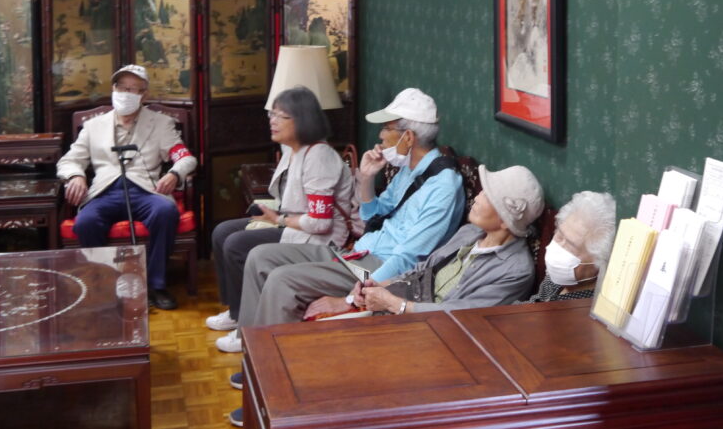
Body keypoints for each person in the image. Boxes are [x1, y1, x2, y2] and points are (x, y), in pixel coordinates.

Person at [214, 87, 464, 355]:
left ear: (408, 137)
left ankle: (265, 360)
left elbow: (408, 258)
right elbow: (371, 216)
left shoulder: (443, 186)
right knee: (260, 256)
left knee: (282, 279)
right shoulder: (409, 170)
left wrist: (352, 299)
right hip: (359, 253)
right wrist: (366, 178)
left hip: (377, 267)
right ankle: (248, 340)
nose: (381, 136)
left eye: (386, 128)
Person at [205, 86, 356, 333]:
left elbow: (320, 223)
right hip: (295, 225)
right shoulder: (292, 150)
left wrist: (279, 220)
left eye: (281, 116)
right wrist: (273, 215)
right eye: (271, 114)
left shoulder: (319, 156)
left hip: (320, 238)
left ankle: (247, 322)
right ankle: (236, 311)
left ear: (303, 119)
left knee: (236, 244)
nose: (272, 121)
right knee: (222, 232)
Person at [316, 164, 544, 317]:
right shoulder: (470, 233)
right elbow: (422, 269)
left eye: (488, 196)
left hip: (435, 330)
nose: (477, 197)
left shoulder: (515, 270)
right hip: (408, 302)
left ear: (505, 220)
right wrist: (377, 285)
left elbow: (462, 314)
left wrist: (394, 304)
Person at [57, 64, 197, 311]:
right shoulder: (93, 126)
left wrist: (175, 174)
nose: (126, 94)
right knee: (86, 223)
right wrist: (76, 176)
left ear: (144, 94)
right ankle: (106, 285)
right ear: (113, 90)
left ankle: (155, 285)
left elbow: (185, 158)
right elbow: (69, 161)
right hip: (105, 191)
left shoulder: (161, 123)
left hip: (146, 190)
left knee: (165, 212)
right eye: (122, 88)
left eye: (133, 89)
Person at [527, 190, 616, 303]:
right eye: (559, 236)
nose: (558, 249)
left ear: (598, 264)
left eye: (571, 246)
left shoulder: (591, 305)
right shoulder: (558, 278)